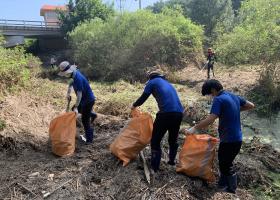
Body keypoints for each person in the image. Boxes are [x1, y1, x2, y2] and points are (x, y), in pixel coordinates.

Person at [185, 79, 255, 194]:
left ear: (213, 90)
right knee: (225, 161)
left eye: (210, 93)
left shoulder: (219, 99)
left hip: (229, 139)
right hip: (237, 138)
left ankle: (231, 189)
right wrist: (233, 110)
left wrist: (194, 128)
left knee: (225, 164)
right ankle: (222, 185)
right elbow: (251, 105)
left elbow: (211, 119)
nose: (211, 96)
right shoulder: (233, 96)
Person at [132, 69, 184, 173]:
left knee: (155, 140)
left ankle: (154, 167)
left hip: (165, 114)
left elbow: (144, 97)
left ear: (150, 77)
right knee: (172, 139)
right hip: (179, 113)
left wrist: (134, 105)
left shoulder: (152, 82)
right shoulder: (168, 83)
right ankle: (172, 162)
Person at [58, 61, 97, 144]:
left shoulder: (78, 79)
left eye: (65, 73)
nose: (65, 75)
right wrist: (68, 93)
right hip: (83, 100)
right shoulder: (74, 74)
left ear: (69, 72)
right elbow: (71, 83)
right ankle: (92, 114)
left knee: (85, 120)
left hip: (88, 100)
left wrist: (76, 106)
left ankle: (89, 140)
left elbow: (79, 96)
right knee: (75, 109)